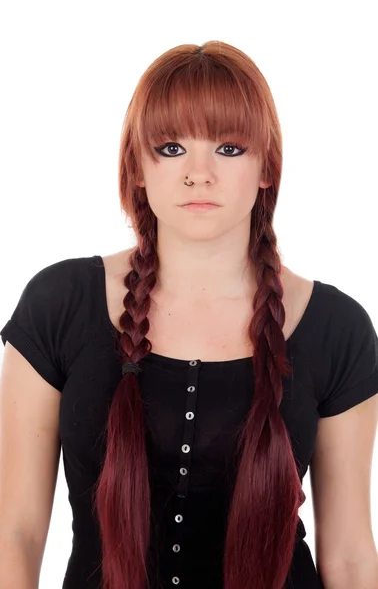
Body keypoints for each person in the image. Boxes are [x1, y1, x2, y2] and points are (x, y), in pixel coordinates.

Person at [1, 40, 378, 589]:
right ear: (136, 167)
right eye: (171, 148)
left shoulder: (338, 330)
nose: (198, 174)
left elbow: (348, 554)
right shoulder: (58, 305)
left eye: (228, 148)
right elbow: (17, 531)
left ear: (267, 167)